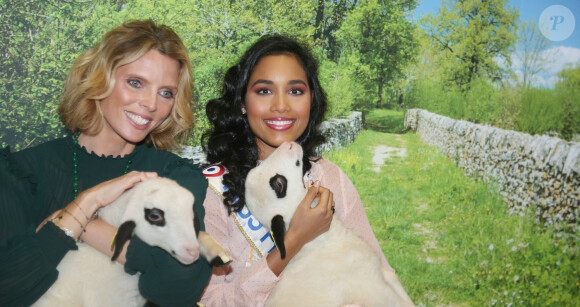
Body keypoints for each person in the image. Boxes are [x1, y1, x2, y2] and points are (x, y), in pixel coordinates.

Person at [0, 20, 211, 306]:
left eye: (166, 93)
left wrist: (78, 224)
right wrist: (86, 203)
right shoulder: (22, 172)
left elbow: (176, 288)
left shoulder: (175, 176)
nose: (151, 104)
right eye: (136, 83)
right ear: (102, 77)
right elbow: (9, 289)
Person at [199, 34, 411, 306]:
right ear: (242, 102)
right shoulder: (213, 191)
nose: (281, 106)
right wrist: (294, 241)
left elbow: (377, 272)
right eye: (264, 90)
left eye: (295, 91)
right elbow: (214, 300)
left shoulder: (328, 176)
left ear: (311, 101)